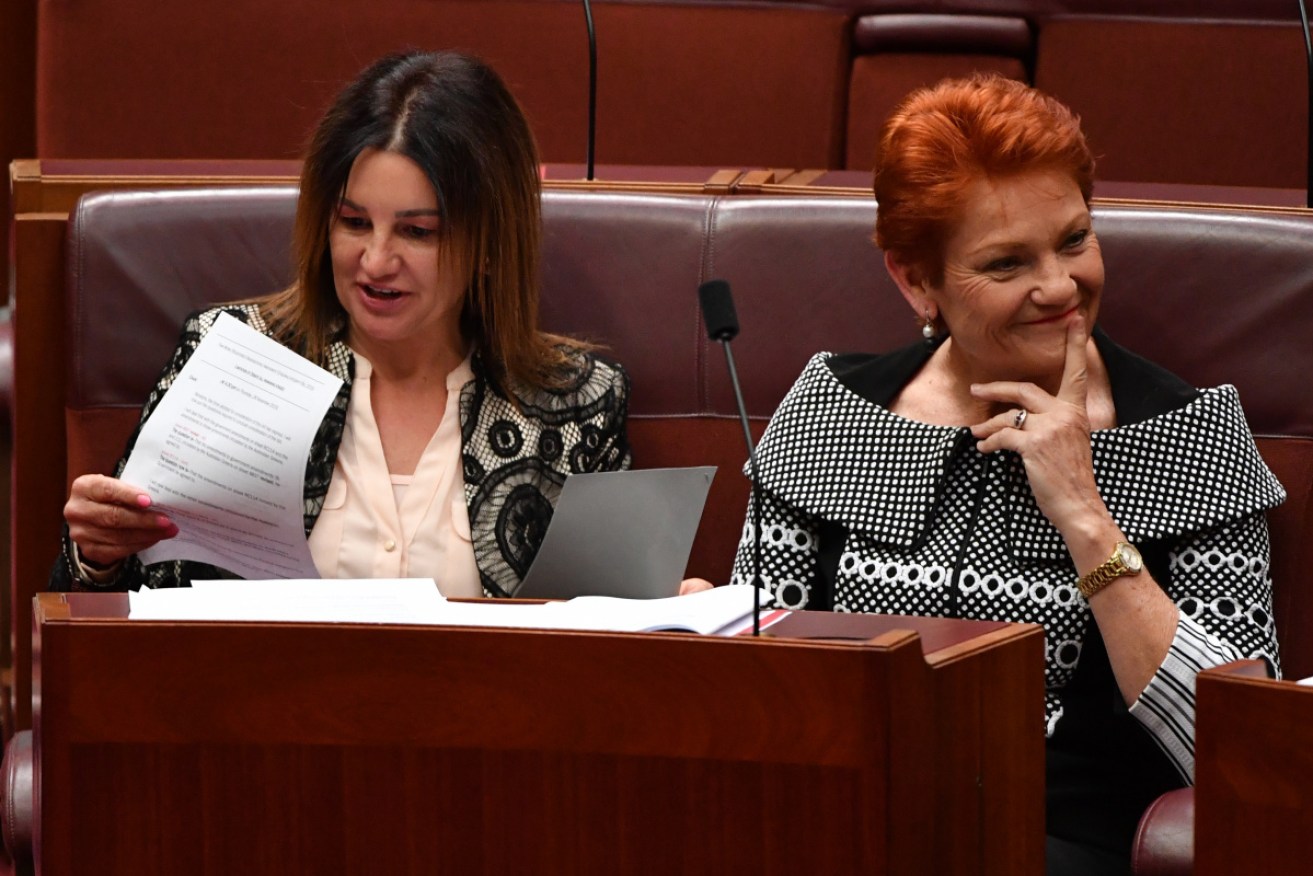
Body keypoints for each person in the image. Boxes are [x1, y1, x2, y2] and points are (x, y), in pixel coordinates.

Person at [718, 75, 1282, 874]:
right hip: (836, 827)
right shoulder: (828, 414)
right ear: (915, 280)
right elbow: (755, 678)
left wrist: (1084, 517)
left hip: (1064, 848)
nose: (1058, 287)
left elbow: (1245, 748)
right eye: (1006, 262)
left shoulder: (1188, 435)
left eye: (1074, 240)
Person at [51, 50, 630, 597]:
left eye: (418, 231)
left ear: (489, 245)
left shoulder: (574, 404)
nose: (376, 262)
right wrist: (97, 556)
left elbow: (613, 640)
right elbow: (111, 607)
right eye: (354, 222)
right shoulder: (235, 358)